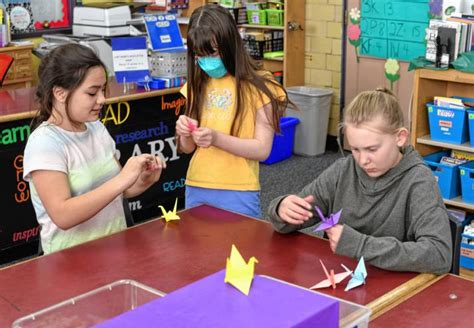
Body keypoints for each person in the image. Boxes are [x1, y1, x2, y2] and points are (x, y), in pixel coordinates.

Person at [267, 88, 452, 274]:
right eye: (355, 149)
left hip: (393, 290)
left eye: (372, 149)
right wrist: (281, 209)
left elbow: (439, 255)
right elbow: (291, 219)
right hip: (341, 281)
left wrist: (359, 245)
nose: (363, 160)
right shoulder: (343, 170)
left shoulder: (418, 181)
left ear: (400, 138)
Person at [23, 44, 166, 254]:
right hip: (71, 260)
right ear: (60, 93)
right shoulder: (45, 143)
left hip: (115, 249)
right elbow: (62, 215)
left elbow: (119, 192)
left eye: (102, 90)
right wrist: (123, 178)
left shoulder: (96, 128)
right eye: (92, 93)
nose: (102, 99)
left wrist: (143, 180)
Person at [175, 4, 289, 218]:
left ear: (230, 44)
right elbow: (187, 148)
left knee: (242, 249)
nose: (206, 61)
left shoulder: (261, 85)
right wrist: (184, 131)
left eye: (213, 53)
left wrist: (216, 138)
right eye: (199, 55)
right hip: (197, 184)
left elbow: (262, 150)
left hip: (239, 189)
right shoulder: (196, 83)